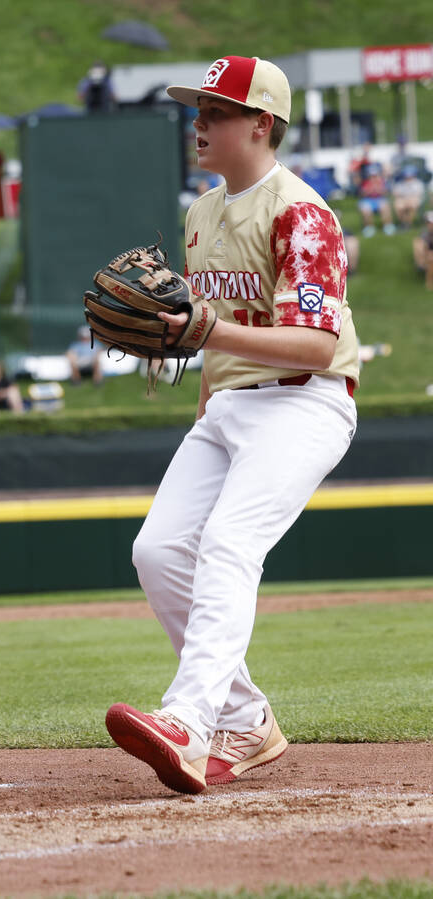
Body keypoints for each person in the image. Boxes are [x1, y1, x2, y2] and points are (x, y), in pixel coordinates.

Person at [104, 56, 360, 795]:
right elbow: (211, 339)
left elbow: (314, 343)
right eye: (199, 110)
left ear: (261, 124)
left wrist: (207, 330)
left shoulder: (300, 213)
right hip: (228, 404)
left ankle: (189, 720)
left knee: (227, 542)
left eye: (215, 111)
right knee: (157, 550)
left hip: (306, 399)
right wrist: (206, 389)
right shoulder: (200, 213)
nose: (200, 122)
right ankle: (246, 719)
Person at [353, 156, 394, 237]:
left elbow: (386, 192)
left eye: (375, 175)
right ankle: (369, 227)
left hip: (380, 199)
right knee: (366, 209)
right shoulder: (365, 183)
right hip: (368, 200)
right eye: (372, 176)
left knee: (384, 207)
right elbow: (361, 194)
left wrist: (379, 190)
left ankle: (387, 226)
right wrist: (369, 191)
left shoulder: (382, 182)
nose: (374, 178)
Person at [390, 166, 426, 230]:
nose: (408, 177)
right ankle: (403, 223)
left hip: (414, 200)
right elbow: (396, 194)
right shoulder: (400, 183)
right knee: (399, 206)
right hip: (403, 200)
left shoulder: (418, 183)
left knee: (412, 205)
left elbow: (418, 195)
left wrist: (409, 199)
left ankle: (408, 223)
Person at [413, 211, 433, 291]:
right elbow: (422, 247)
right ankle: (429, 282)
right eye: (429, 223)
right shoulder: (424, 234)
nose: (430, 225)